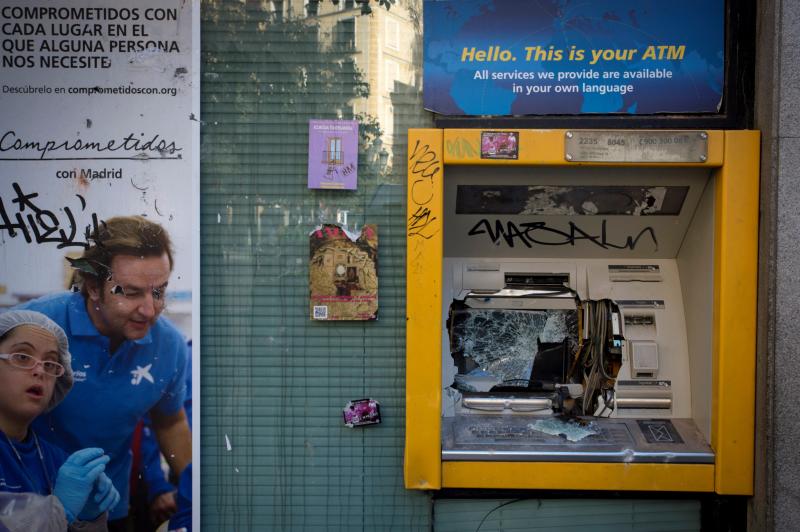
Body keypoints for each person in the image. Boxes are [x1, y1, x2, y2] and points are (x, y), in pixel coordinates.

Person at [18, 216, 192, 530]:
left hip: (108, 504)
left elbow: (170, 421)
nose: (149, 310)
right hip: (29, 500)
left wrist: (197, 493)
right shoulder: (38, 324)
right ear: (94, 287)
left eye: (159, 291)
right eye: (131, 292)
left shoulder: (169, 345)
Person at [0, 310, 120, 531]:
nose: (39, 371)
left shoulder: (58, 461)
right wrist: (59, 511)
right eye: (23, 357)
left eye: (50, 364)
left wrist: (87, 519)